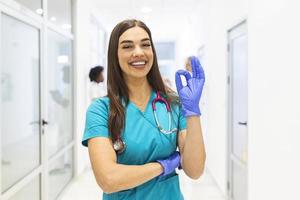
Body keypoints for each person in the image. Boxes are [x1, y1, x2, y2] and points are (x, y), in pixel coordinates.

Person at [82, 19, 206, 200]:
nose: (138, 52)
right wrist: (163, 166)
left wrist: (193, 113)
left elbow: (194, 170)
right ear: (114, 55)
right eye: (127, 46)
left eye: (145, 45)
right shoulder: (100, 110)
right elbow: (108, 179)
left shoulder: (173, 104)